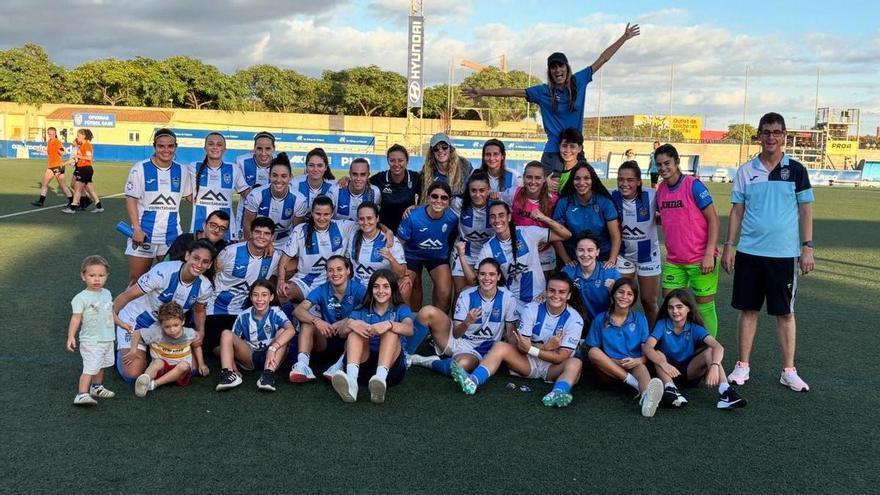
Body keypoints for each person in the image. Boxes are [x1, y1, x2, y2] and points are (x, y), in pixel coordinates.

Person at [462, 23, 640, 175]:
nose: (557, 70)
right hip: (553, 152)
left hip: (575, 150)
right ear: (550, 71)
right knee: (549, 195)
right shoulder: (543, 92)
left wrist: (624, 38)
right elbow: (512, 92)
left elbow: (603, 59)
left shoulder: (579, 81)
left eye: (560, 66)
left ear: (566, 68)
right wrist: (482, 91)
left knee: (589, 190)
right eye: (553, 67)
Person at [722, 112, 815, 392]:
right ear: (759, 136)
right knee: (748, 310)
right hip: (749, 252)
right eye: (766, 132)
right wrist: (729, 246)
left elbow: (806, 210)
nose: (771, 137)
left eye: (776, 132)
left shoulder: (796, 170)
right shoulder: (746, 171)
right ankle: (742, 365)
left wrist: (807, 247)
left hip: (784, 255)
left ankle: (789, 371)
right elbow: (737, 211)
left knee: (785, 313)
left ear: (784, 136)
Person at [450, 273, 585, 409]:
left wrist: (532, 348)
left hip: (553, 368)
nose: (556, 295)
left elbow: (561, 357)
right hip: (528, 363)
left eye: (562, 292)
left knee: (575, 363)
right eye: (552, 290)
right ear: (546, 291)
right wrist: (545, 347)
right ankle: (473, 381)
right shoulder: (531, 309)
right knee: (501, 346)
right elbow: (521, 347)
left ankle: (558, 393)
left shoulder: (575, 320)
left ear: (569, 295)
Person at [113, 240, 216, 382]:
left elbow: (199, 311)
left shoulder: (205, 286)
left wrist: (201, 332)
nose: (199, 264)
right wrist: (112, 316)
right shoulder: (163, 271)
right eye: (196, 258)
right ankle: (122, 348)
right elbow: (126, 296)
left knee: (192, 369)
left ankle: (151, 353)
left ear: (209, 265)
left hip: (168, 329)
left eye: (205, 262)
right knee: (132, 374)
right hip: (137, 322)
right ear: (187, 256)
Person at [410, 258, 518, 376]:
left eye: (492, 274)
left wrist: (515, 355)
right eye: (482, 274)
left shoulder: (508, 297)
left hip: (480, 349)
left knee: (461, 365)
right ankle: (405, 355)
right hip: (458, 340)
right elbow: (456, 334)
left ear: (498, 277)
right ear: (477, 276)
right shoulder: (466, 295)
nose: (487, 278)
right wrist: (467, 322)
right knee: (427, 311)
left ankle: (427, 361)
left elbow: (510, 332)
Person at [655, 144, 721, 336]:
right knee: (671, 305)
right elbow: (667, 216)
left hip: (700, 258)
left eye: (667, 163)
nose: (663, 168)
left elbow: (713, 219)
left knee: (704, 306)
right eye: (659, 165)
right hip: (675, 260)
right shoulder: (661, 190)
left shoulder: (694, 185)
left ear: (677, 162)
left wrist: (709, 254)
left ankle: (709, 349)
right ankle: (679, 345)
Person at [643, 289, 746, 409]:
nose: (675, 311)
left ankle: (725, 391)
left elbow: (718, 347)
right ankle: (671, 390)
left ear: (688, 309)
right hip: (667, 371)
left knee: (709, 351)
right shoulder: (662, 324)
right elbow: (648, 347)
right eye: (671, 307)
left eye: (679, 307)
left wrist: (714, 365)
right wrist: (663, 364)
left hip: (690, 372)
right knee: (658, 353)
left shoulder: (695, 328)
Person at [463, 201, 570, 315]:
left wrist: (544, 218)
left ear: (509, 217)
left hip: (541, 297)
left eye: (501, 215)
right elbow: (474, 280)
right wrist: (461, 256)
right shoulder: (488, 248)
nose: (497, 220)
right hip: (514, 303)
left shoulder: (527, 233)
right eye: (493, 217)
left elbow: (566, 235)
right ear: (489, 220)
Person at [329, 270, 414, 404]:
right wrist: (351, 324)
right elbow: (342, 334)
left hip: (391, 371)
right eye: (376, 286)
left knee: (390, 331)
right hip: (363, 368)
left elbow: (409, 329)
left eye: (386, 286)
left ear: (393, 289)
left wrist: (389, 324)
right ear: (370, 289)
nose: (381, 291)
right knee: (355, 331)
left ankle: (380, 380)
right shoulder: (361, 309)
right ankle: (352, 382)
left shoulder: (400, 308)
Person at [585, 278, 664, 417]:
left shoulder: (640, 319)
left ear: (634, 298)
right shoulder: (600, 319)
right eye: (621, 292)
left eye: (629, 294)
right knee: (593, 352)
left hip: (632, 364)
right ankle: (634, 384)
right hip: (609, 370)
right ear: (613, 294)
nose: (624, 297)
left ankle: (646, 397)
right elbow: (592, 351)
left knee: (642, 368)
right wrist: (613, 361)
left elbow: (646, 349)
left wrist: (639, 360)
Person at [123, 128, 193, 285]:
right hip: (144, 235)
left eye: (170, 146)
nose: (166, 150)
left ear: (176, 147)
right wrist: (137, 229)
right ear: (154, 146)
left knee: (170, 281)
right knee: (137, 280)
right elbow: (131, 199)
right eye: (161, 146)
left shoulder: (182, 170)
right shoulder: (140, 168)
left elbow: (190, 197)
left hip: (171, 236)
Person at [203, 216, 279, 353]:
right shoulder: (230, 252)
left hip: (245, 311)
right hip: (216, 309)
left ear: (272, 237)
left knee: (260, 343)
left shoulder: (274, 257)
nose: (261, 237)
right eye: (257, 232)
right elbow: (212, 274)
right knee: (217, 347)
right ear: (250, 233)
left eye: (267, 234)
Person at [291, 255, 367, 383]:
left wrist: (346, 320)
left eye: (339, 269)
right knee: (307, 323)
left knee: (354, 325)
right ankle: (303, 366)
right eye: (331, 270)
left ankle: (340, 366)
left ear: (348, 270)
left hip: (349, 340)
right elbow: (298, 310)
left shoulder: (358, 289)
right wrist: (317, 321)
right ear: (326, 273)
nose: (335, 273)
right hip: (327, 337)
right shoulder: (322, 289)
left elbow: (371, 310)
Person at [215, 280, 295, 392]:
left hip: (272, 356)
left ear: (271, 297)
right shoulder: (243, 316)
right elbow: (231, 344)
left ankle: (268, 375)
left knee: (283, 331)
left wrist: (273, 348)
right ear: (251, 297)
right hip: (250, 356)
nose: (259, 299)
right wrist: (234, 367)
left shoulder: (276, 311)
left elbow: (291, 330)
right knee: (226, 334)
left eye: (264, 295)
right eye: (255, 295)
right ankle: (228, 374)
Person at [277, 195, 358, 303]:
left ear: (332, 214)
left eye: (326, 214)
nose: (321, 218)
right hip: (305, 280)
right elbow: (284, 260)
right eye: (318, 214)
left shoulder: (343, 226)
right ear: (312, 213)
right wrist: (281, 281)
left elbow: (367, 225)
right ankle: (291, 314)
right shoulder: (300, 230)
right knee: (283, 293)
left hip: (333, 280)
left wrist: (386, 230)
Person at [66, 255, 120, 406]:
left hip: (107, 338)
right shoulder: (81, 298)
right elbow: (76, 318)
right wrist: (71, 336)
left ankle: (96, 388)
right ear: (83, 276)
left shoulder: (107, 293)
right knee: (90, 368)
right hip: (91, 340)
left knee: (101, 365)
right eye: (92, 275)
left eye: (101, 275)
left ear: (107, 276)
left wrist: (122, 324)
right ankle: (82, 394)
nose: (97, 279)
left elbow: (110, 312)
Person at [397, 181, 459, 313]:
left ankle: (437, 323)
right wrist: (402, 268)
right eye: (434, 196)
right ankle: (410, 320)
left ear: (449, 201)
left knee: (444, 292)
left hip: (437, 256)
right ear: (428, 197)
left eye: (444, 198)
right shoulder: (412, 216)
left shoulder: (452, 219)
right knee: (404, 288)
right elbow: (398, 244)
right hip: (411, 256)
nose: (439, 201)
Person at [612, 160, 661, 325]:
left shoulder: (652, 195)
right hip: (623, 256)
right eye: (621, 179)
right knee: (620, 300)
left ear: (639, 181)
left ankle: (655, 337)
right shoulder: (611, 196)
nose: (624, 184)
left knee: (649, 301)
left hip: (648, 256)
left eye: (630, 180)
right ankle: (622, 333)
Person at [126, 302, 209, 397]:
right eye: (167, 327)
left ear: (183, 321)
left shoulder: (189, 333)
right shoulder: (156, 333)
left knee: (184, 365)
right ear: (161, 325)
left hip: (180, 373)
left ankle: (154, 384)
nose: (172, 330)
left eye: (176, 325)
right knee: (157, 362)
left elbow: (197, 346)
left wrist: (202, 364)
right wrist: (133, 350)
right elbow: (137, 333)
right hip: (162, 369)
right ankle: (145, 380)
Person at [552, 162, 620, 267]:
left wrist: (611, 260)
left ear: (593, 180)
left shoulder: (605, 202)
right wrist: (567, 260)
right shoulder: (564, 203)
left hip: (601, 255)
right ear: (572, 181)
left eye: (586, 178)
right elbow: (556, 235)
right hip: (572, 255)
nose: (581, 182)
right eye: (577, 179)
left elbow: (615, 236)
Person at [242, 152, 308, 249]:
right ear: (269, 175)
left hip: (285, 243)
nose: (279, 180)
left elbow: (297, 231)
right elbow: (247, 224)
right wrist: (253, 248)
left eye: (284, 176)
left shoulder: (299, 200)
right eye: (275, 175)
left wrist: (290, 252)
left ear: (290, 177)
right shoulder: (256, 195)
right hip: (259, 240)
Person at [188, 132, 245, 241]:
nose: (215, 147)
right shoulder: (193, 167)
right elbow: (187, 195)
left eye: (219, 144)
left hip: (226, 231)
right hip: (198, 228)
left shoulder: (233, 169)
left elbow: (247, 194)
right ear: (205, 147)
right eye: (211, 144)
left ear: (225, 149)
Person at [349, 202, 410, 300]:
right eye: (361, 219)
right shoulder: (352, 234)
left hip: (381, 289)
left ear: (377, 218)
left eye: (369, 218)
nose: (365, 222)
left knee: (406, 286)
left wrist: (391, 258)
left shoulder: (390, 241)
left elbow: (401, 274)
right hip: (357, 287)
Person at [511, 161, 559, 276]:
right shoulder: (514, 193)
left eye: (537, 178)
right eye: (529, 177)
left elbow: (560, 228)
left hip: (543, 251)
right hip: (520, 249)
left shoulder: (554, 200)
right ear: (523, 178)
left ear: (544, 179)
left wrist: (548, 239)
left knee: (544, 284)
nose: (533, 182)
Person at [450, 172, 494, 296]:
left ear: (489, 190)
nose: (477, 194)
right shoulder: (458, 203)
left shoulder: (495, 207)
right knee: (460, 293)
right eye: (473, 190)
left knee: (484, 292)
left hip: (487, 255)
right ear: (468, 191)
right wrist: (415, 207)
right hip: (463, 254)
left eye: (482, 190)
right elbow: (437, 203)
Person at [562, 235, 621, 325]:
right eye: (581, 250)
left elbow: (624, 300)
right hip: (575, 323)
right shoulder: (568, 271)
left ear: (597, 252)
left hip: (603, 322)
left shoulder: (610, 272)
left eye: (590, 250)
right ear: (575, 252)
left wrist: (614, 292)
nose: (585, 254)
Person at [234, 131, 276, 239]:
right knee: (244, 244)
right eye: (259, 148)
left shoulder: (279, 164)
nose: (263, 153)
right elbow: (246, 194)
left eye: (268, 149)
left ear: (273, 148)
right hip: (245, 213)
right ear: (254, 148)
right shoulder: (241, 162)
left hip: (272, 214)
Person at [370, 144, 421, 232]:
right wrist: (347, 180)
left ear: (407, 161)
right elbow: (362, 183)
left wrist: (417, 206)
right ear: (388, 161)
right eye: (392, 160)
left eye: (400, 160)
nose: (396, 164)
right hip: (385, 230)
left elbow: (428, 197)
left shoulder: (415, 178)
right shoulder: (380, 178)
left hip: (408, 229)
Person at [165, 210, 231, 278]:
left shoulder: (224, 249)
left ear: (225, 233)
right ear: (204, 225)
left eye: (222, 228)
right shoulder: (184, 240)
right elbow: (167, 265)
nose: (217, 230)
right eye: (213, 225)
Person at [61, 129, 104, 213]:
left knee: (78, 189)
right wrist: (64, 163)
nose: (77, 137)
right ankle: (99, 207)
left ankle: (72, 208)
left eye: (78, 136)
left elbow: (89, 157)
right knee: (90, 190)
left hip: (85, 169)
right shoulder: (82, 146)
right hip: (84, 169)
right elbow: (76, 159)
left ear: (84, 136)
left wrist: (78, 156)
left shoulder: (87, 145)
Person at [419, 133, 472, 199]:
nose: (440, 151)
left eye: (444, 147)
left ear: (450, 148)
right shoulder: (426, 171)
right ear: (432, 152)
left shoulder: (464, 165)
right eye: (436, 148)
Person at [32, 126, 73, 208]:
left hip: (58, 166)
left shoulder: (57, 142)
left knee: (62, 185)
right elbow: (49, 153)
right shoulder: (49, 141)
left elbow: (62, 152)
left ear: (55, 134)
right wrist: (40, 150)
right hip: (51, 166)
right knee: (44, 183)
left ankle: (72, 201)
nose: (51, 135)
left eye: (52, 134)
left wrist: (61, 151)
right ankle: (41, 201)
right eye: (49, 134)